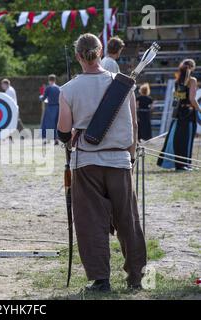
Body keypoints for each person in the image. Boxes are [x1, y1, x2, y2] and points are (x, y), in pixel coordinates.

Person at [57, 33, 146, 292]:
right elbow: (135, 124)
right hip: (119, 159)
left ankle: (100, 279)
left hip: (86, 164)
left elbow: (63, 132)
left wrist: (71, 133)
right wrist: (129, 156)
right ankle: (136, 278)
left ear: (78, 56)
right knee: (128, 220)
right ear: (100, 52)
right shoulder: (123, 85)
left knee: (91, 222)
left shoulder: (68, 89)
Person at [157, 59, 201, 171]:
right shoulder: (192, 80)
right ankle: (184, 164)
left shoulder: (178, 81)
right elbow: (192, 99)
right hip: (189, 113)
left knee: (178, 139)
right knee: (187, 139)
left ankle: (180, 164)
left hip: (179, 113)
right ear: (192, 68)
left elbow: (177, 99)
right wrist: (199, 109)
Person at [40, 74, 60, 144]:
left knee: (46, 124)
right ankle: (56, 139)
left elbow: (43, 98)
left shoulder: (48, 88)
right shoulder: (59, 88)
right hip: (58, 108)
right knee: (56, 124)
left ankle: (45, 139)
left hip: (50, 108)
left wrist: (40, 97)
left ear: (49, 80)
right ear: (55, 80)